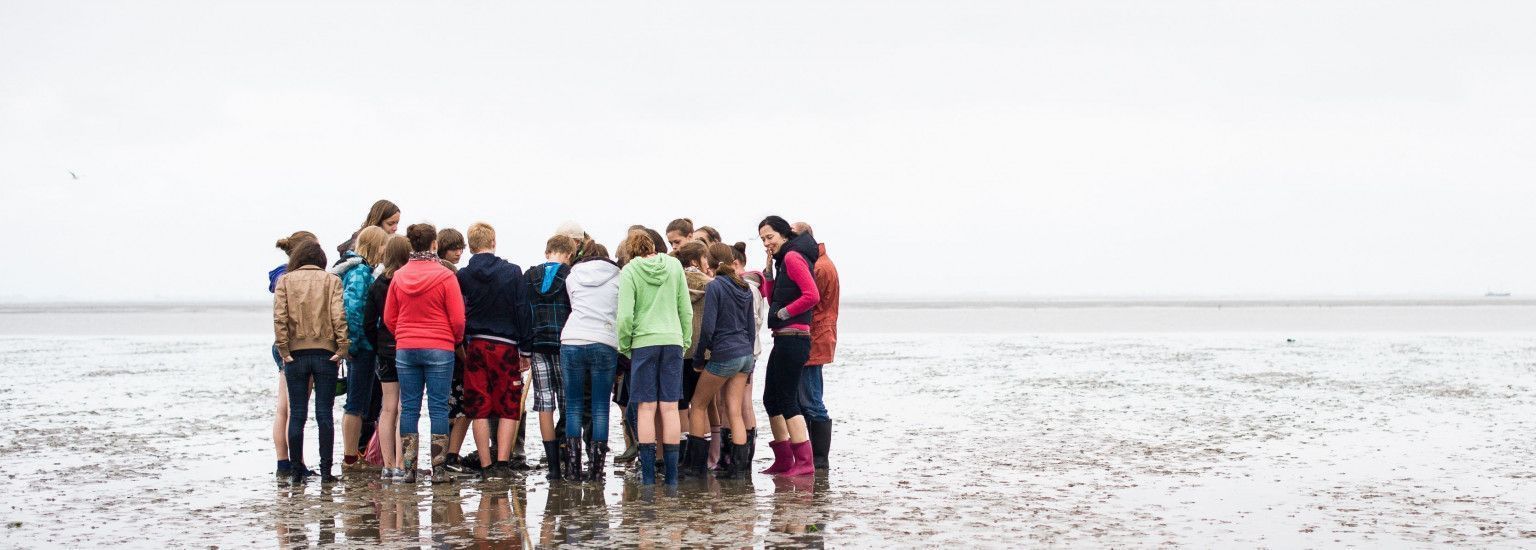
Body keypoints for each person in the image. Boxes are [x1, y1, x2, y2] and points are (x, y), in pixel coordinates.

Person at [384, 223, 466, 484]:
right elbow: (458, 318)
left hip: (406, 347)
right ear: (434, 245)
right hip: (440, 346)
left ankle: (408, 469)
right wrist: (454, 339)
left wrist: (403, 334)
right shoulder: (445, 276)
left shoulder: (398, 276)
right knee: (438, 408)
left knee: (409, 408)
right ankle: (438, 470)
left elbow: (389, 317)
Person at [456, 222, 532, 481]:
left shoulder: (463, 275)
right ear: (494, 241)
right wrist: (526, 349)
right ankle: (502, 463)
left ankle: (486, 466)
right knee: (508, 404)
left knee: (478, 406)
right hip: (506, 346)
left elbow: (459, 312)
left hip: (476, 345)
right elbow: (522, 310)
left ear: (470, 245)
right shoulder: (512, 272)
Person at [616, 231, 692, 485]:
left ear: (631, 250)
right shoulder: (673, 265)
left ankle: (648, 476)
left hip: (643, 343)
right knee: (670, 408)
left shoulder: (629, 271)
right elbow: (685, 308)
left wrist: (625, 345)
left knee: (646, 409)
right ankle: (671, 477)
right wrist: (685, 341)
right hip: (672, 340)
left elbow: (625, 316)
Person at [273, 239, 349, 483]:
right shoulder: (332, 281)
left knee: (297, 415)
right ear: (322, 260)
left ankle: (296, 471)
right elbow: (339, 316)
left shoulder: (285, 281)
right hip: (325, 352)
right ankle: (326, 472)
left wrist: (284, 350)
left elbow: (280, 318)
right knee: (324, 414)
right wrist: (343, 347)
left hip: (295, 353)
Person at [756, 215, 820, 477]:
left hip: (795, 338)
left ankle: (804, 462)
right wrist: (769, 272)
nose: (766, 243)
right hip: (782, 337)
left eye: (770, 237)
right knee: (770, 399)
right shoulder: (783, 261)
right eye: (762, 239)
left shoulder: (793, 257)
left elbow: (812, 295)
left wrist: (785, 313)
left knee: (786, 399)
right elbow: (774, 300)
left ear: (784, 234)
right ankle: (784, 460)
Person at [685, 243, 757, 479]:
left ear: (710, 261)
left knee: (698, 405)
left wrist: (699, 357)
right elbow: (750, 328)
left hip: (725, 354)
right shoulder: (744, 286)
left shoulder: (716, 287)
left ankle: (696, 469)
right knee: (734, 410)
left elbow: (708, 327)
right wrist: (751, 362)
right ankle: (738, 471)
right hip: (745, 354)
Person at [561, 242, 620, 481]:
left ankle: (574, 470)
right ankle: (596, 470)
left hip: (573, 338)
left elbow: (574, 305)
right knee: (600, 406)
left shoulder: (572, 276)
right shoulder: (619, 276)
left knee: (573, 405)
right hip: (604, 340)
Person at [335, 226, 389, 474]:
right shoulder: (360, 272)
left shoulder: (362, 270)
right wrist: (357, 344)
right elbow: (353, 311)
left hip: (366, 345)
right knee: (355, 404)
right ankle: (350, 457)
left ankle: (357, 454)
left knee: (362, 403)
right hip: (362, 347)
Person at [525, 235, 577, 480]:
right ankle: (570, 457)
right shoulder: (570, 276)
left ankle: (553, 468)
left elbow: (523, 312)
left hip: (537, 346)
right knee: (568, 402)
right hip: (565, 344)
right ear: (569, 255)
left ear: (547, 252)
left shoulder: (529, 276)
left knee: (544, 404)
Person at [792, 222, 840, 470]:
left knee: (811, 400)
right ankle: (815, 457)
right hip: (819, 335)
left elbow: (809, 300)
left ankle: (820, 460)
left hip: (816, 336)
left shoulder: (819, 267)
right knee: (807, 397)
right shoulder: (821, 262)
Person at [365, 235, 412, 481]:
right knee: (405, 408)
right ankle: (402, 464)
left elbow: (368, 323)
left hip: (385, 349)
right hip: (406, 346)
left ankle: (387, 464)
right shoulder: (408, 281)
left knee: (387, 408)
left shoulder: (377, 285)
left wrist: (378, 344)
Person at [269, 230, 316, 479]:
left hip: (280, 344)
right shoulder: (295, 278)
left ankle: (283, 462)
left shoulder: (280, 276)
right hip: (297, 345)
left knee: (283, 409)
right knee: (297, 409)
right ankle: (295, 462)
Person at [434, 228, 474, 475]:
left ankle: (441, 456)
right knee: (461, 407)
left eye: (461, 248)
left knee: (444, 405)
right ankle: (450, 455)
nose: (458, 253)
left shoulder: (435, 271)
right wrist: (463, 351)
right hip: (453, 348)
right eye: (453, 248)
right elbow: (458, 317)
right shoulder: (450, 274)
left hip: (437, 347)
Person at [672, 240, 711, 477]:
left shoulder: (673, 283)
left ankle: (684, 458)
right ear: (696, 261)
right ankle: (702, 462)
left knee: (680, 405)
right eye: (705, 258)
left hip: (680, 348)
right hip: (703, 351)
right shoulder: (711, 285)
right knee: (701, 406)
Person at [336, 199, 401, 255]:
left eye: (397, 223)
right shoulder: (356, 247)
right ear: (377, 222)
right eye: (390, 224)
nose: (395, 228)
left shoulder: (392, 244)